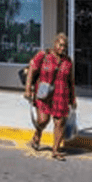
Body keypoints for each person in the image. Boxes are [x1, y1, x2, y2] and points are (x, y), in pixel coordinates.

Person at [23, 32, 77, 161]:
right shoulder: (43, 55)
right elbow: (31, 70)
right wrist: (27, 89)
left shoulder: (68, 61)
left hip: (61, 95)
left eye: (65, 46)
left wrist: (73, 99)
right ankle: (37, 135)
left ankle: (55, 150)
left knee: (60, 123)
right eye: (60, 45)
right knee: (43, 120)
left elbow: (71, 81)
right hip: (44, 94)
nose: (62, 48)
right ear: (55, 43)